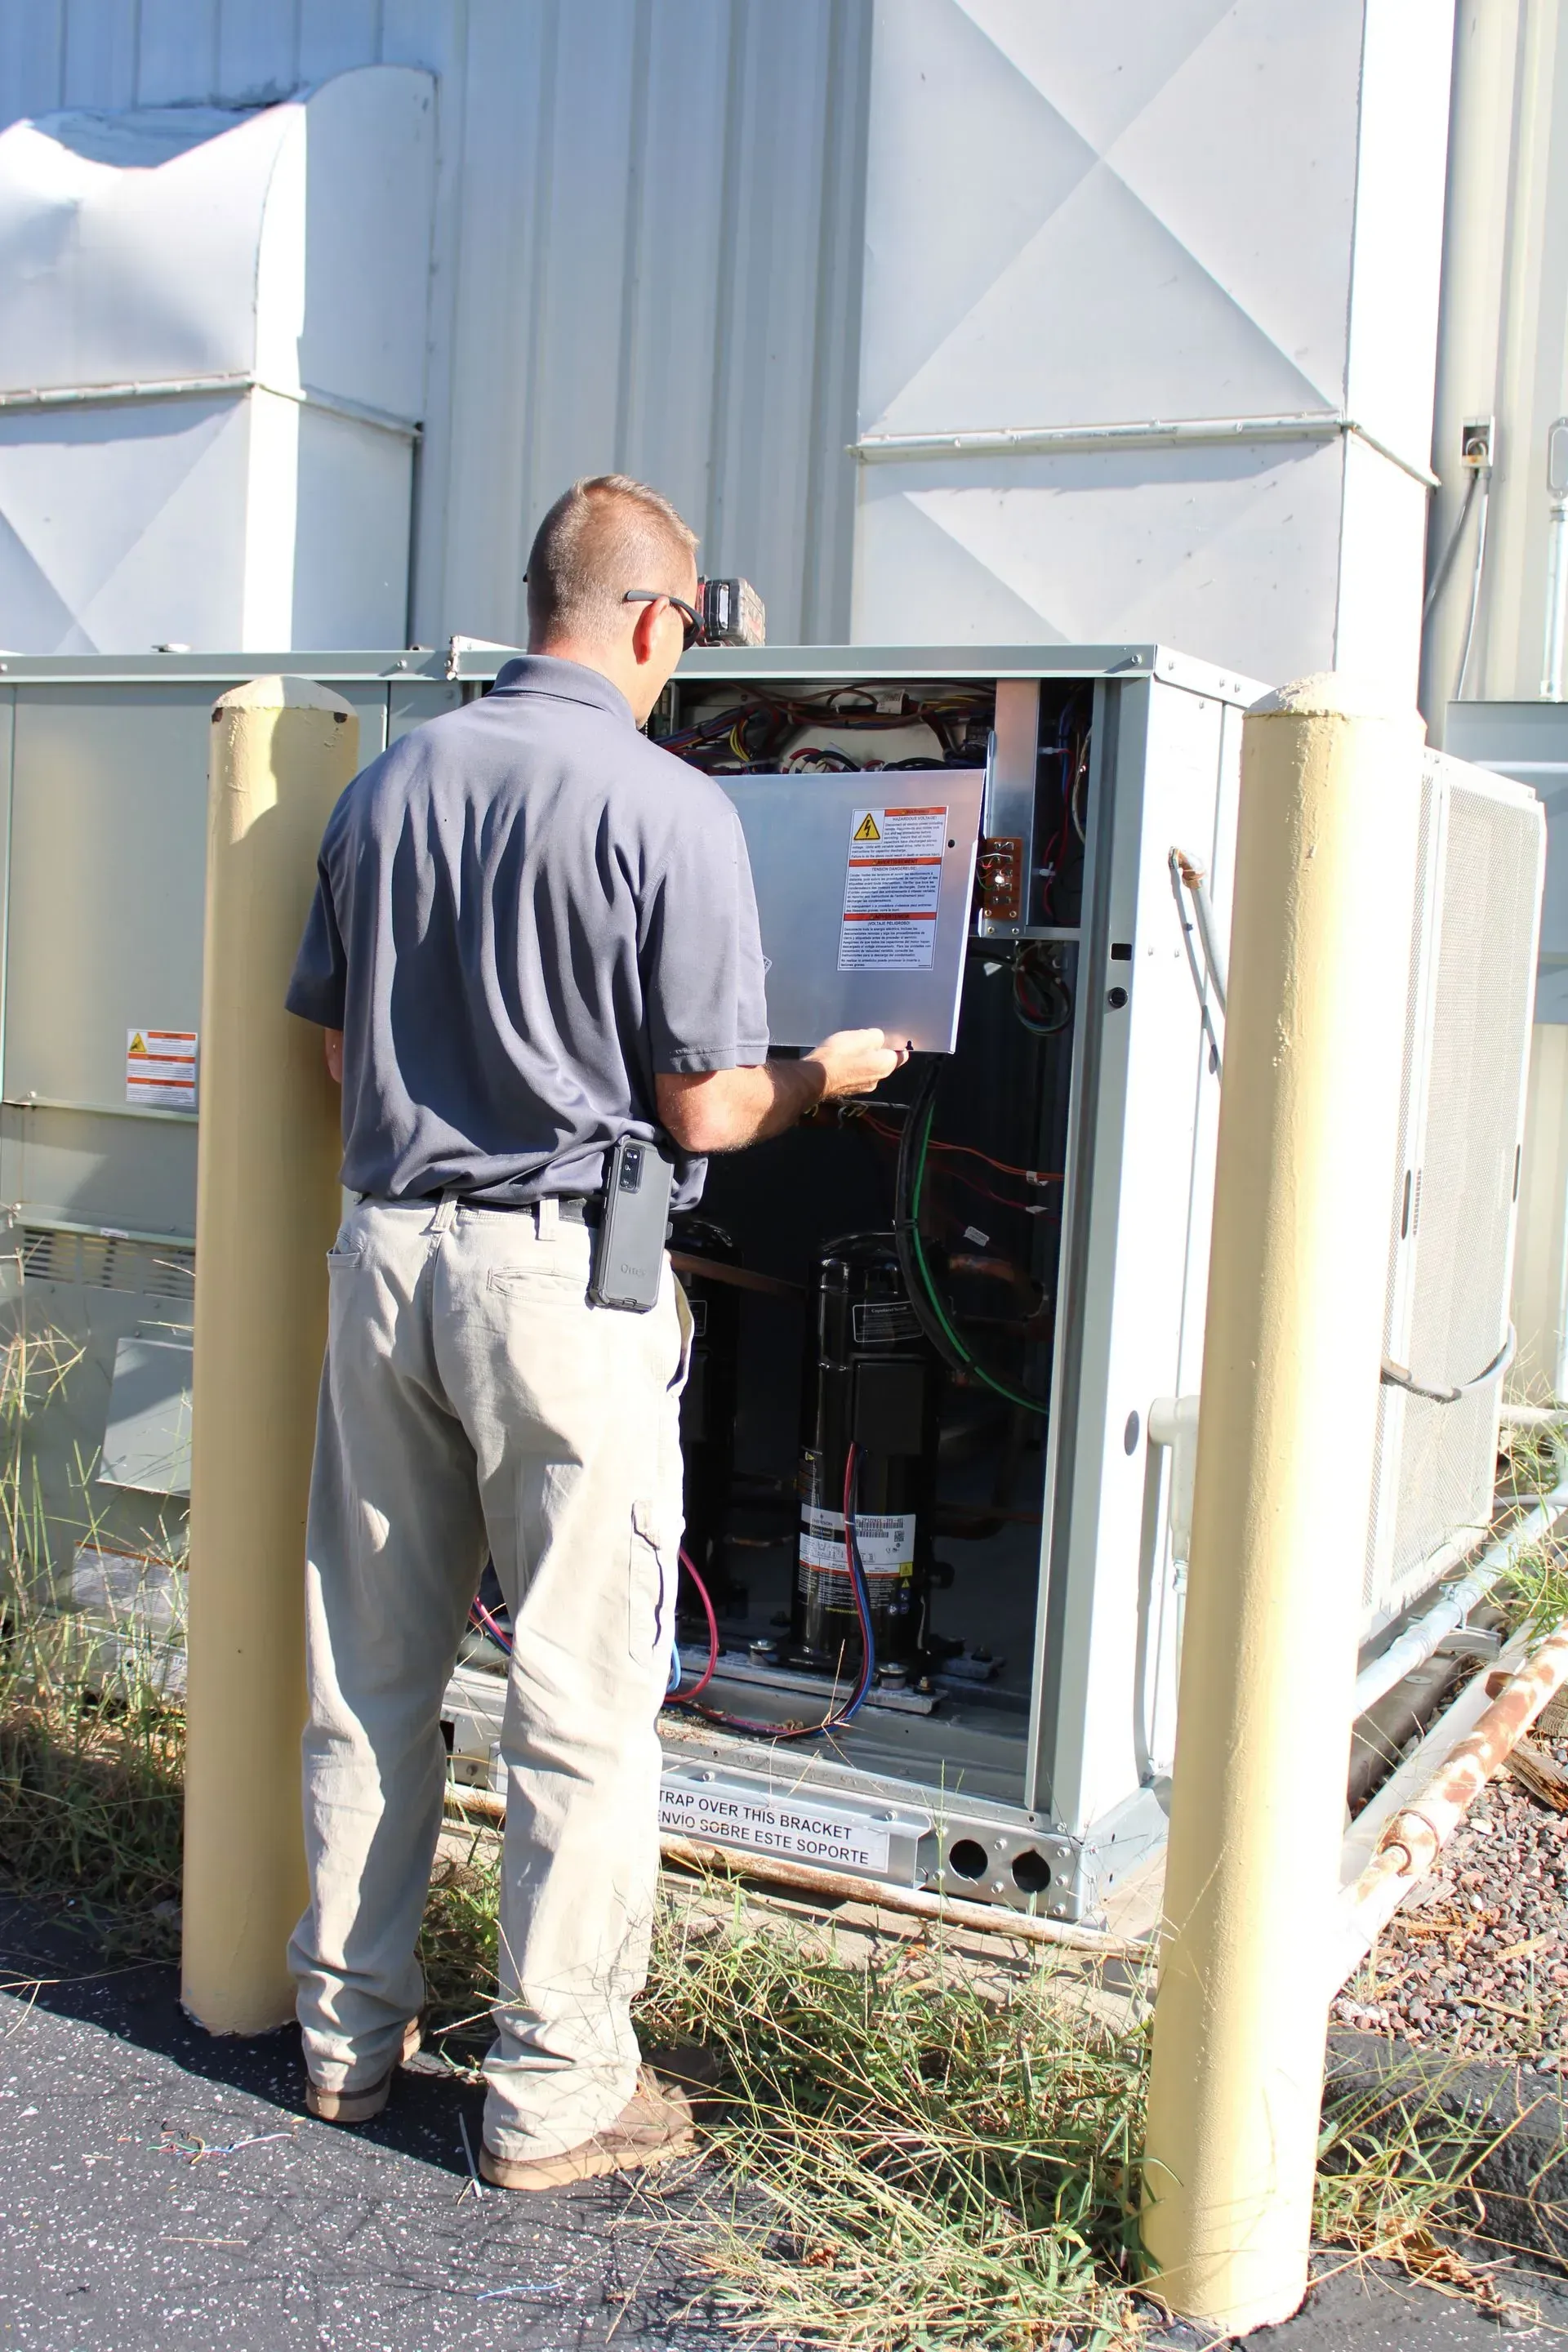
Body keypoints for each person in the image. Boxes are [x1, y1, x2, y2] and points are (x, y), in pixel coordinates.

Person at [282, 474, 907, 2190]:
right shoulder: (667, 808)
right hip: (561, 1285)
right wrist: (832, 1075)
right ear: (650, 621)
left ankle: (345, 2037)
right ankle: (556, 2101)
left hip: (383, 1261)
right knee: (576, 1695)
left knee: (371, 1671)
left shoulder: (389, 786)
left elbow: (337, 1056)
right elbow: (704, 1111)